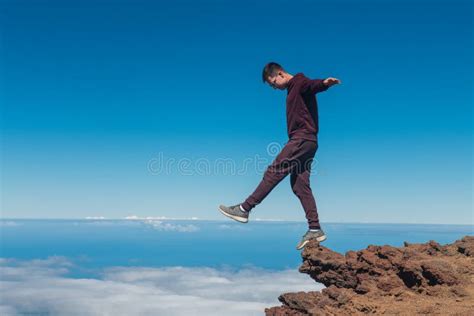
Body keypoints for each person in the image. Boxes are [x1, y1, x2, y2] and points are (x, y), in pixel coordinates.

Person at [219, 62, 341, 250]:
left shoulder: (299, 82)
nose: (273, 87)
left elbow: (311, 86)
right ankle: (315, 229)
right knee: (300, 185)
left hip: (301, 138)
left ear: (281, 74)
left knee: (274, 171)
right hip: (309, 142)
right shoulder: (291, 91)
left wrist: (324, 83)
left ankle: (244, 209)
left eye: (272, 82)